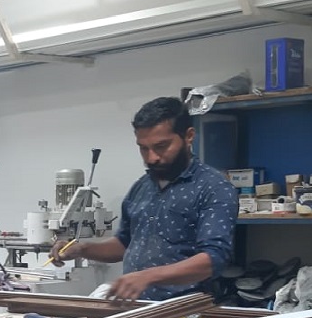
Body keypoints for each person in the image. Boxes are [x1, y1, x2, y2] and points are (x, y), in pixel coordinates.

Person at [49, 97, 238, 301]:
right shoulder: (142, 187)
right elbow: (124, 244)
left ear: (189, 136)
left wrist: (147, 276)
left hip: (184, 309)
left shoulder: (213, 187)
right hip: (136, 308)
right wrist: (83, 249)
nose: (151, 158)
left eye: (161, 146)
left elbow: (213, 259)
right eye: (143, 148)